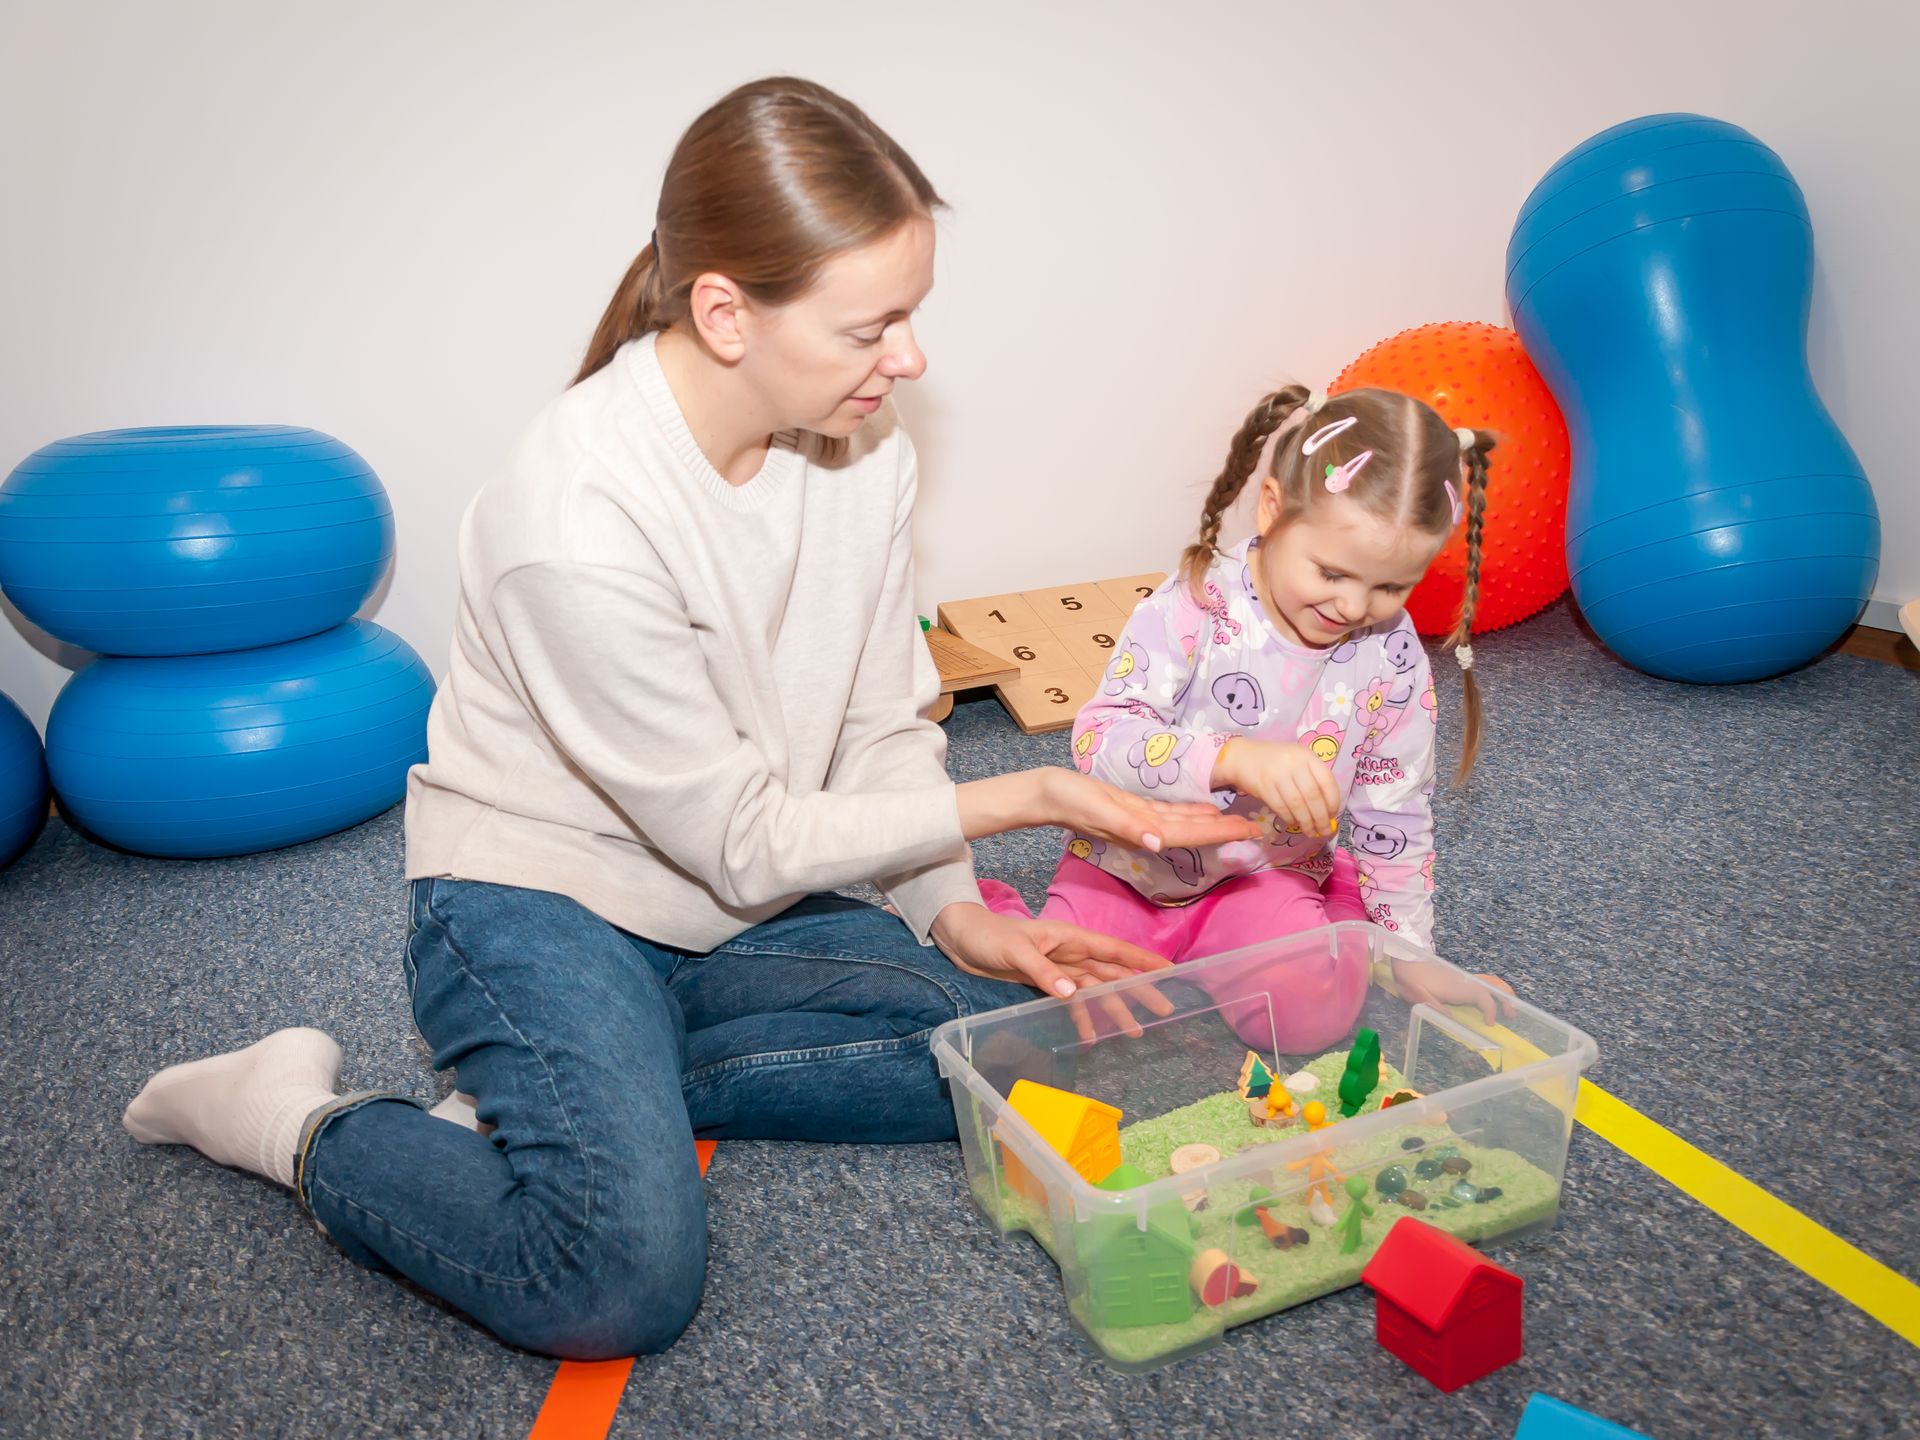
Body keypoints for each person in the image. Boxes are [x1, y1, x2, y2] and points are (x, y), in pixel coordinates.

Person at [119, 76, 1259, 1359]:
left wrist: (956, 909)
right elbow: (747, 839)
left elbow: (882, 726)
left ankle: (573, 1094)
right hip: (538, 902)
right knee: (614, 1276)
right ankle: (303, 1121)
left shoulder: (865, 448)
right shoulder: (573, 521)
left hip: (731, 905)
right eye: (872, 325)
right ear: (725, 312)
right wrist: (1032, 793)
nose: (911, 358)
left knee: (1013, 1050)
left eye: (914, 315)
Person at [981, 383, 1514, 1051]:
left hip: (1265, 872)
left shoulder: (1392, 655)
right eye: (1331, 573)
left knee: (1309, 1025)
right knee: (1062, 1005)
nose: (1354, 607)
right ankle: (995, 906)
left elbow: (1397, 815)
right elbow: (1100, 741)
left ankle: (1336, 911)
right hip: (1128, 867)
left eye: (1389, 586)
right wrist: (1232, 758)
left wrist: (1408, 953)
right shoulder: (1194, 605)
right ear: (1271, 509)